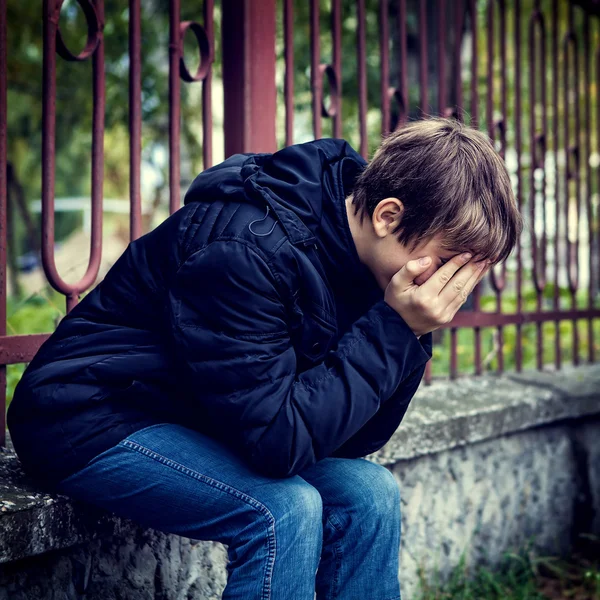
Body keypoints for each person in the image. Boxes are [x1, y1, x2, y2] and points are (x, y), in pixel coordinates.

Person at [7, 116, 522, 599]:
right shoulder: (243, 251)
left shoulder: (367, 267)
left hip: (197, 415)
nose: (457, 287)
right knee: (282, 510)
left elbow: (355, 440)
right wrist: (394, 329)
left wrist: (407, 331)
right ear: (389, 216)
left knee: (369, 492)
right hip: (90, 415)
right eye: (452, 262)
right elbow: (278, 445)